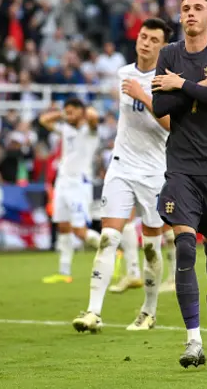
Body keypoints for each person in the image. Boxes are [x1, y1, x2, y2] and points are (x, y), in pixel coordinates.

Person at [151, 0, 207, 368]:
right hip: (181, 166)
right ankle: (193, 342)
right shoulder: (168, 54)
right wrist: (202, 88)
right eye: (185, 8)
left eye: (197, 8)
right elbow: (159, 105)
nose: (190, 13)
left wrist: (182, 86)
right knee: (185, 247)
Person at [72, 18, 173, 332]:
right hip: (121, 165)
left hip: (155, 170)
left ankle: (149, 310)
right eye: (143, 36)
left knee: (151, 246)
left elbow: (171, 124)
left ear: (163, 46)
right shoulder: (123, 73)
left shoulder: (168, 80)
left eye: (153, 39)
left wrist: (144, 96)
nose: (145, 43)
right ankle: (93, 312)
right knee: (108, 238)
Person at [39, 98, 101, 284]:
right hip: (62, 182)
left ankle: (113, 251)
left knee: (79, 231)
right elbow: (44, 120)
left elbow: (93, 118)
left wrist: (84, 112)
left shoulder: (90, 131)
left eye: (72, 111)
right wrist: (63, 113)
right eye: (67, 111)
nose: (69, 114)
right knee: (63, 226)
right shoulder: (66, 129)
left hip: (79, 184)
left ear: (81, 112)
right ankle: (64, 271)